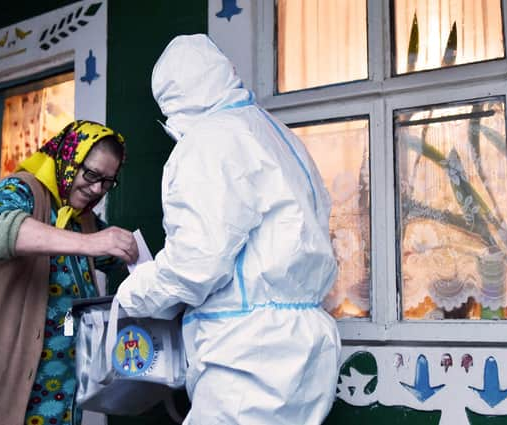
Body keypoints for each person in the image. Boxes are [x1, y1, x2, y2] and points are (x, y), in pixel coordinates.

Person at [116, 34, 341, 424]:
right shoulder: (278, 135)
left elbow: (196, 265)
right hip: (303, 347)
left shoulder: (210, 141)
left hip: (249, 352)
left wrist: (134, 293)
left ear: (174, 100)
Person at [0, 120, 138, 425]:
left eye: (108, 181)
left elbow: (119, 257)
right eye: (91, 174)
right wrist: (90, 243)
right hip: (8, 386)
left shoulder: (81, 218)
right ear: (68, 159)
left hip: (63, 393)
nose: (97, 188)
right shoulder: (21, 189)